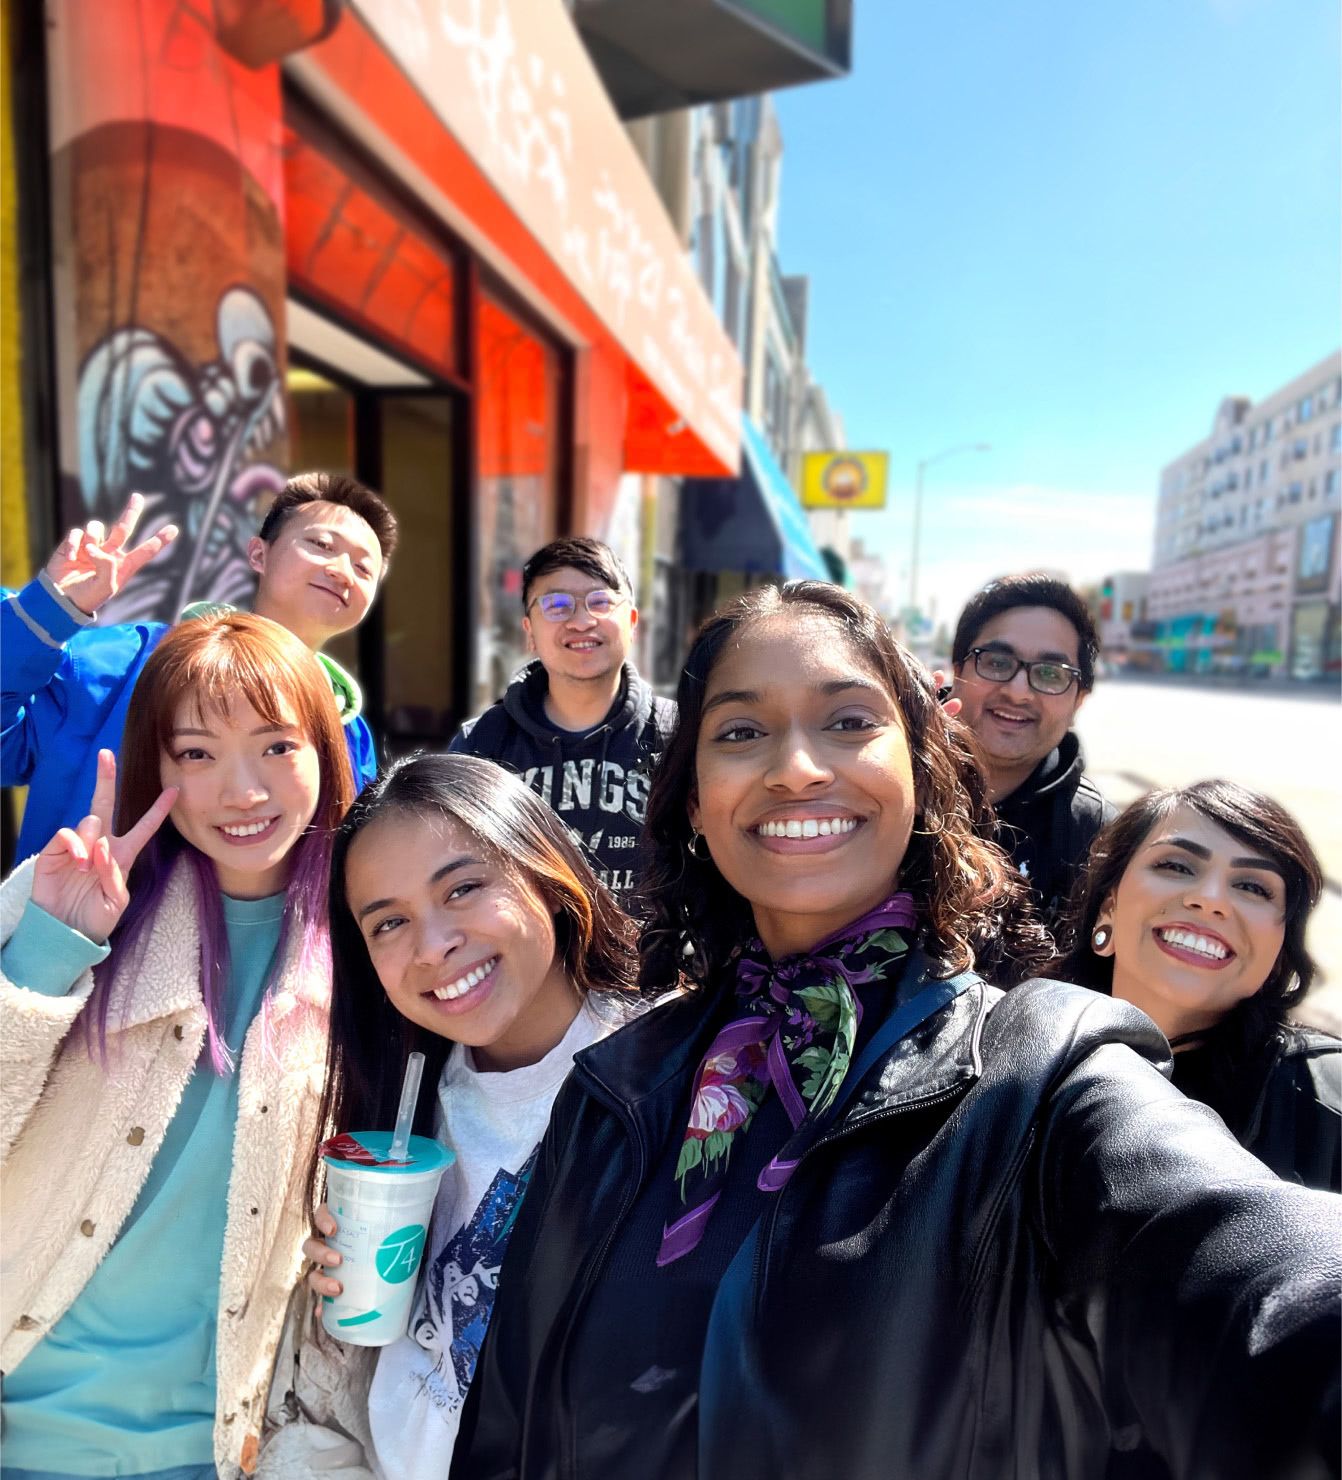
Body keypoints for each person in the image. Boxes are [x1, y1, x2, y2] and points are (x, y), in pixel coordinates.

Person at [453, 581, 1340, 1480]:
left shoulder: (1044, 1078)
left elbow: (1265, 1287)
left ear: (922, 771)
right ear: (692, 801)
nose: (796, 766)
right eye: (740, 731)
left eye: (848, 722)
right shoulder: (618, 1085)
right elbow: (505, 1427)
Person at [0, 612, 356, 1479]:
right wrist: (50, 952)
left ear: (325, 751)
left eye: (276, 746)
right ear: (155, 766)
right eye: (197, 754)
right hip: (29, 1434)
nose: (243, 790)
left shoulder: (371, 937)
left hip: (217, 1449)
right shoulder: (60, 892)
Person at [255, 753, 637, 1477]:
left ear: (544, 872)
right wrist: (338, 1299)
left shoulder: (670, 1088)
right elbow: (346, 1393)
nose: (433, 947)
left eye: (463, 888)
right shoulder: (401, 1092)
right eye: (389, 923)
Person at [3, 471, 397, 861]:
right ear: (259, 553)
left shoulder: (350, 735)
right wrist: (47, 612)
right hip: (82, 922)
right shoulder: (127, 662)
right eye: (321, 544)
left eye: (363, 569)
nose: (342, 571)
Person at [1055, 779, 1340, 1191]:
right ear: (1109, 906)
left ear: (1280, 953)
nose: (1210, 900)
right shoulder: (1011, 1059)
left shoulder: (1327, 1102)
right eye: (1176, 866)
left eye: (1253, 887)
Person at [449, 537, 675, 899]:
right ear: (530, 633)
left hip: (649, 955)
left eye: (600, 602)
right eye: (556, 605)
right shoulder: (480, 745)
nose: (582, 621)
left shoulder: (677, 735)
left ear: (632, 623)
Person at [951, 571, 1115, 928]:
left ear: (1078, 702)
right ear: (957, 670)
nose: (1018, 691)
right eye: (996, 662)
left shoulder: (1096, 838)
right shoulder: (882, 779)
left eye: (1051, 674)